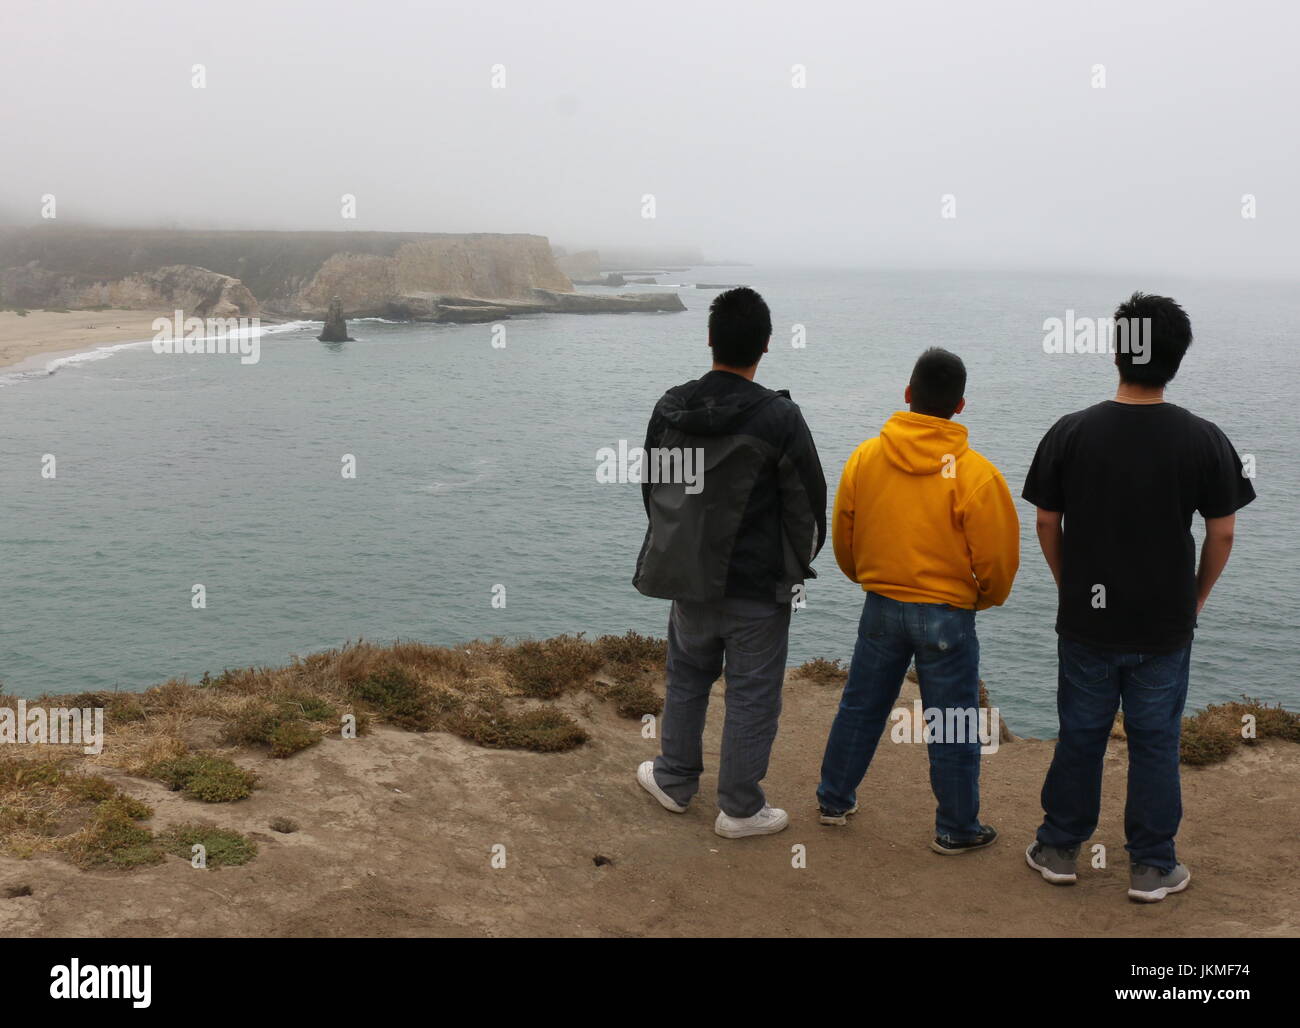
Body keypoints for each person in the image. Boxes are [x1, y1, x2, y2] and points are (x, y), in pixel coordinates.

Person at [1022, 292, 1255, 902]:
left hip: (1085, 622)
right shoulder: (1204, 439)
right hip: (1164, 623)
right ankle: (1152, 866)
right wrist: (1195, 599)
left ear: (1117, 351)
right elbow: (1223, 530)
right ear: (1175, 359)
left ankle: (1059, 849)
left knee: (1080, 733)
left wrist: (1069, 584)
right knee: (1155, 741)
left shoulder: (1070, 432)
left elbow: (1047, 522)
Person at [633, 286, 826, 838]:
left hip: (688, 577)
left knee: (688, 677)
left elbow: (653, 489)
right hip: (757, 586)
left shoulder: (671, 407)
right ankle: (740, 809)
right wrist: (795, 567)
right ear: (765, 346)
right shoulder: (780, 418)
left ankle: (673, 780)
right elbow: (808, 509)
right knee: (752, 695)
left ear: (710, 339)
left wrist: (676, 546)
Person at [817, 347, 1019, 854]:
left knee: (860, 707)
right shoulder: (977, 475)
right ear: (961, 406)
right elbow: (996, 560)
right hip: (948, 615)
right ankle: (956, 829)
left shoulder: (866, 456)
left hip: (881, 602)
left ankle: (833, 801)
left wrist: (864, 574)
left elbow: (844, 530)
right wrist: (982, 598)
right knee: (952, 723)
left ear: (907, 395)